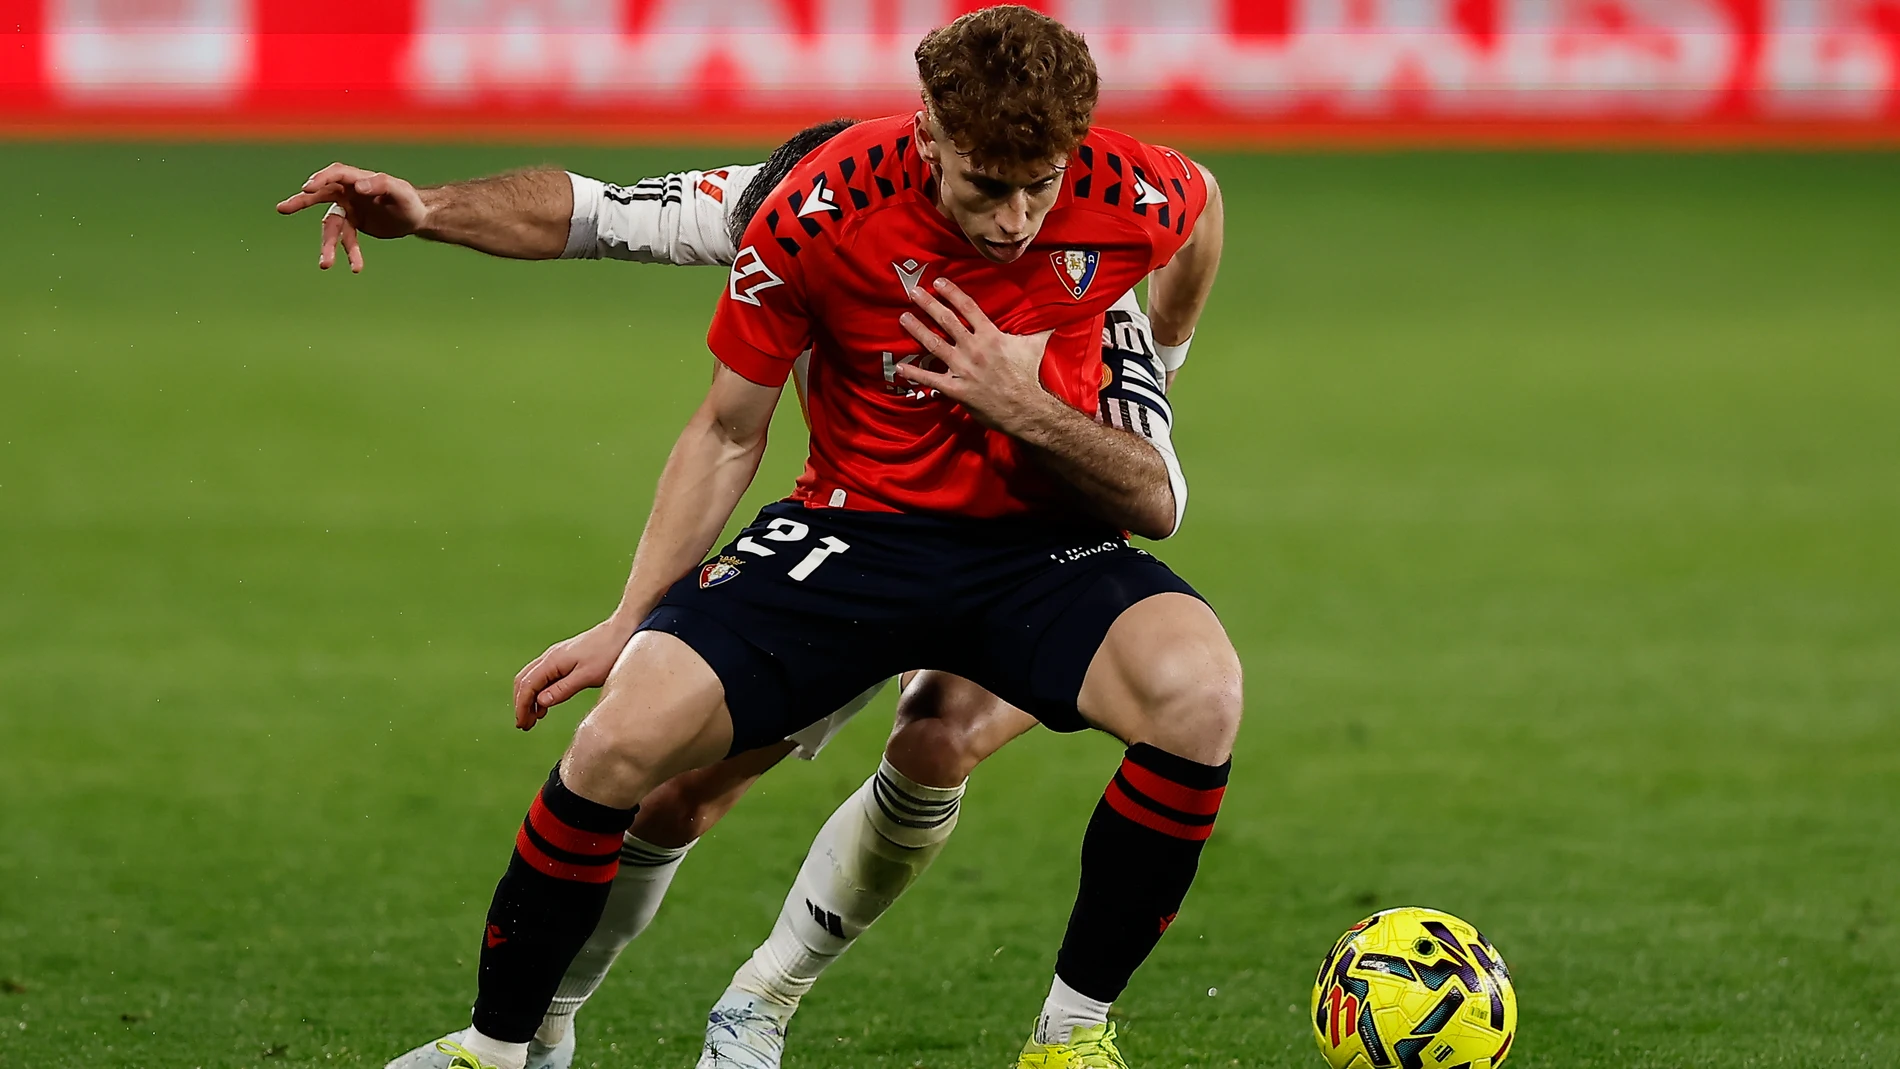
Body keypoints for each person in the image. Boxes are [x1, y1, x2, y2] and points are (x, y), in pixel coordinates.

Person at [283, 8, 1236, 1069]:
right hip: (855, 533)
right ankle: (517, 1037)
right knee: (653, 767)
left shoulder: (1118, 197)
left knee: (1003, 726)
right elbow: (602, 227)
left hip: (1035, 541)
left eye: (1036, 188)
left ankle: (877, 1013)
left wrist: (1158, 347)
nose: (1015, 222)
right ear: (923, 137)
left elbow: (1165, 431)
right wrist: (425, 212)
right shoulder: (799, 203)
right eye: (985, 188)